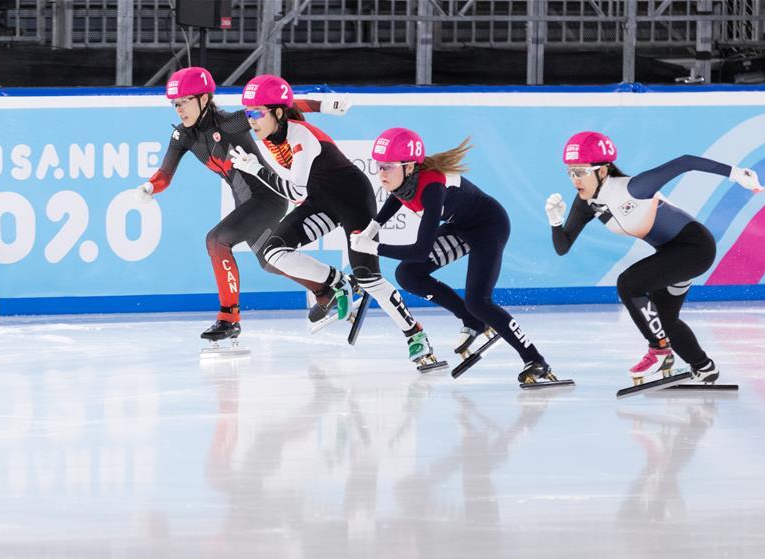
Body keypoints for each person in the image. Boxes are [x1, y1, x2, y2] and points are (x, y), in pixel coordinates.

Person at [228, 75, 442, 368]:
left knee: (368, 278)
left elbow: (295, 192)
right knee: (271, 252)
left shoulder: (300, 136)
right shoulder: (271, 127)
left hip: (352, 199)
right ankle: (337, 282)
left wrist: (256, 171)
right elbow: (280, 107)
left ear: (277, 113)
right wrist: (320, 104)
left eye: (256, 113)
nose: (250, 120)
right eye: (248, 112)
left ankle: (415, 335)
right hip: (321, 201)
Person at [136, 67, 347, 344]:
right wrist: (151, 186)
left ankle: (229, 318)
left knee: (216, 240)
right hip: (246, 202)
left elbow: (276, 107)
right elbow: (165, 175)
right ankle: (324, 290)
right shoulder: (183, 136)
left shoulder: (229, 123)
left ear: (203, 98)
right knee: (268, 262)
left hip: (267, 199)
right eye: (175, 103)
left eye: (184, 101)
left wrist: (322, 105)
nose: (179, 109)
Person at [547, 131, 764, 383]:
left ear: (603, 171)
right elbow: (562, 246)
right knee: (664, 321)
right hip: (672, 254)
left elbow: (685, 162)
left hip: (695, 248)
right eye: (570, 172)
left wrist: (736, 173)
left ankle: (660, 351)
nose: (575, 179)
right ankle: (704, 367)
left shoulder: (634, 188)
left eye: (581, 171)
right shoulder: (585, 202)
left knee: (629, 283)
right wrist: (555, 220)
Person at [349, 128, 559, 384]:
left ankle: (536, 359)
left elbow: (420, 251)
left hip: (489, 226)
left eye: (388, 167)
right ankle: (472, 321)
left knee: (479, 301)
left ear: (410, 167)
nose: (381, 173)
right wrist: (373, 228)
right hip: (460, 227)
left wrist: (373, 247)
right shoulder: (403, 181)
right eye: (379, 166)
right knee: (408, 274)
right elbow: (395, 200)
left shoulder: (432, 188)